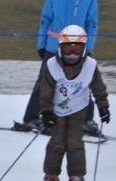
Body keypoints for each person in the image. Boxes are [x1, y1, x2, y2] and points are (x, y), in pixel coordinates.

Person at [39, 25, 110, 181]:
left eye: (76, 49)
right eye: (68, 48)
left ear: (84, 48)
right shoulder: (52, 65)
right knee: (57, 143)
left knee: (75, 143)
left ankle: (76, 176)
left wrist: (103, 107)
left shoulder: (90, 65)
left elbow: (98, 88)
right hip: (57, 110)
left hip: (78, 110)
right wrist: (46, 111)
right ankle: (51, 175)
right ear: (60, 47)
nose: (72, 54)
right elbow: (45, 90)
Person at [13, 0, 100, 136]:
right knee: (44, 82)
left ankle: (86, 120)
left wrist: (88, 48)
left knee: (82, 82)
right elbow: (45, 20)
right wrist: (41, 45)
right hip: (53, 46)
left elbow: (92, 23)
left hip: (77, 49)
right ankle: (31, 118)